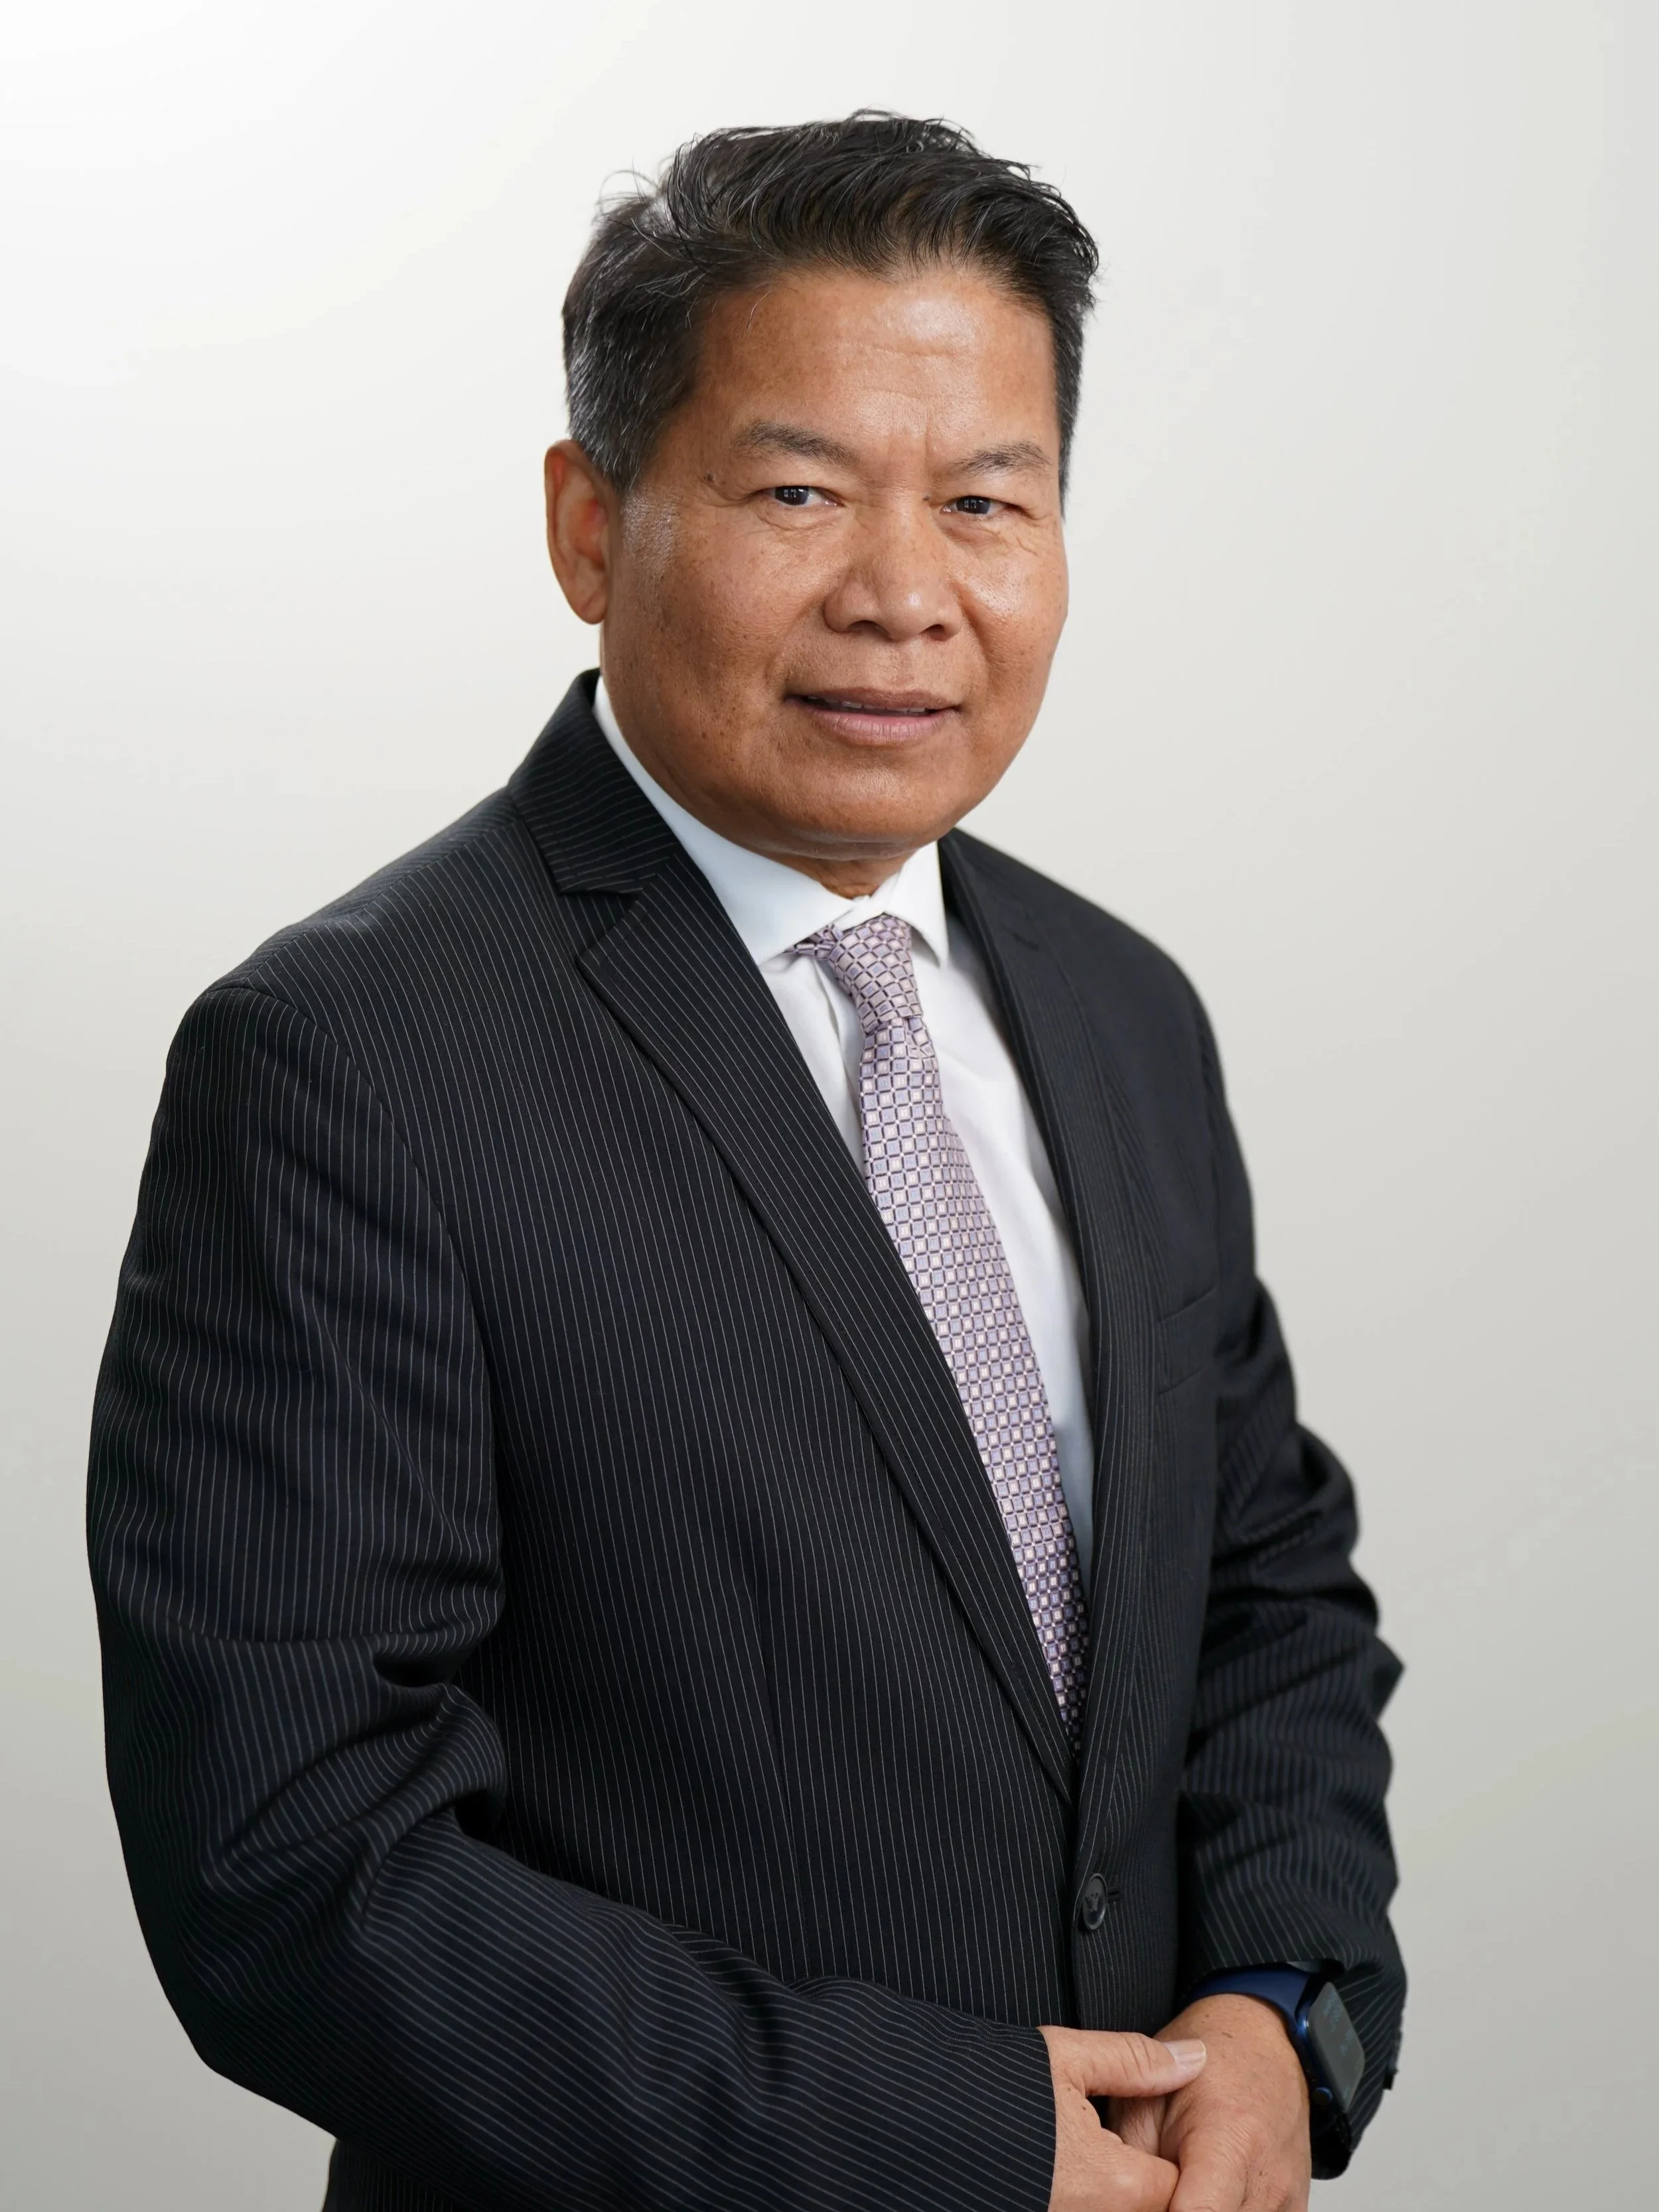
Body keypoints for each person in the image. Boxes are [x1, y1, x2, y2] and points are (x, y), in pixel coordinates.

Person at [88, 114, 1403, 2212]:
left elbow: (1263, 1589)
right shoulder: (348, 1059)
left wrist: (1270, 2002)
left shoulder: (1120, 1009)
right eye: (797, 491)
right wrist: (950, 2138)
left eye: (986, 500)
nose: (903, 594)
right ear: (588, 523)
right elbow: (298, 1864)